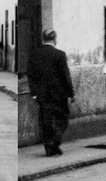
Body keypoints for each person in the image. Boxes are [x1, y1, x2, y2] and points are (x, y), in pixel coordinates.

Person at [27, 29, 74, 157]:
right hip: (59, 94)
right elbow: (65, 75)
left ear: (43, 39)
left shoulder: (34, 54)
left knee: (45, 120)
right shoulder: (60, 54)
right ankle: (56, 139)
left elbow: (30, 75)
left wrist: (34, 93)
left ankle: (49, 148)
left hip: (42, 94)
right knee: (63, 117)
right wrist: (71, 93)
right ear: (54, 39)